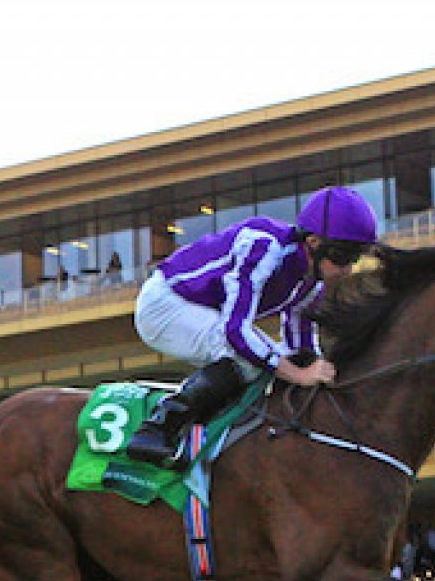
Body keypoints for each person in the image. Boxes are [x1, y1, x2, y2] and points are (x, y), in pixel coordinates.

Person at [124, 186, 377, 468]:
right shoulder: (264, 248)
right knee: (250, 359)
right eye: (342, 257)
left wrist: (320, 373)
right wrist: (298, 374)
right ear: (314, 242)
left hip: (201, 310)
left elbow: (301, 350)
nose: (348, 270)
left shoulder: (311, 286)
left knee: (272, 360)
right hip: (164, 305)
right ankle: (158, 428)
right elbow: (236, 332)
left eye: (356, 258)